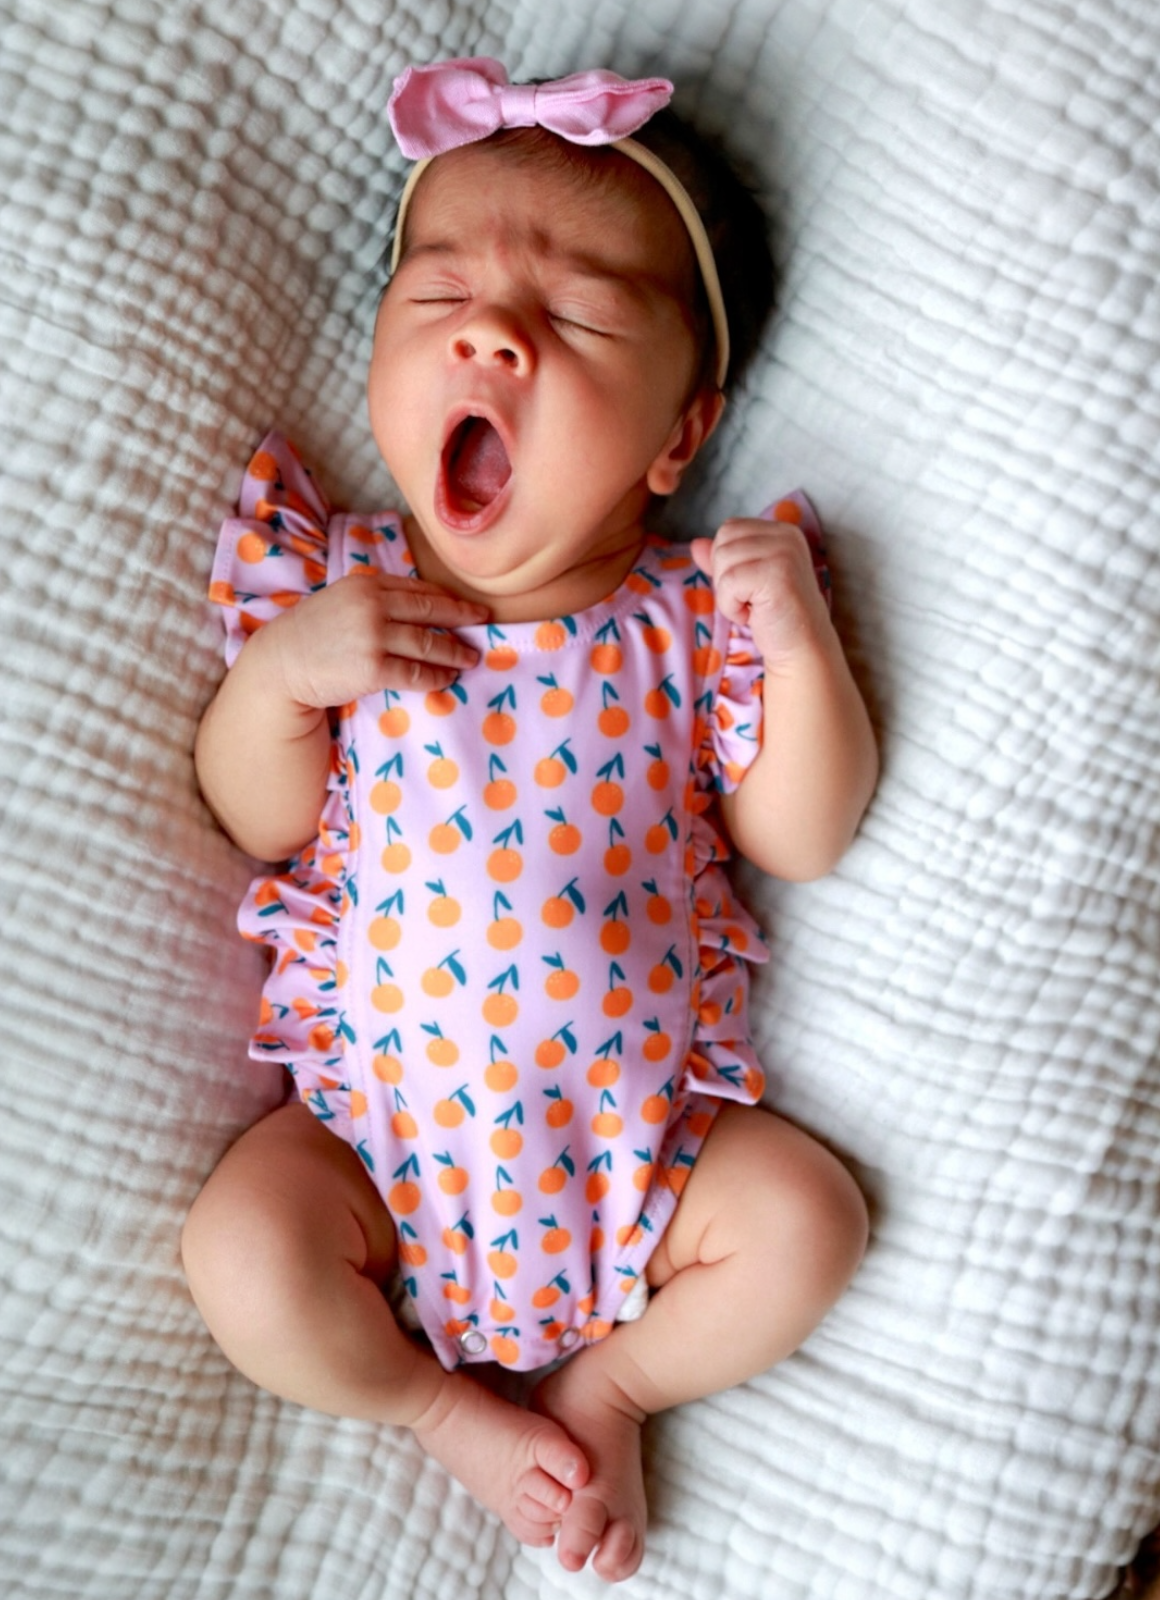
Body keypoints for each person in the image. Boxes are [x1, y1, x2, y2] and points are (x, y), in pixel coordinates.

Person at [182, 58, 878, 1584]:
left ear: (677, 441)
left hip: (653, 1177)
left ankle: (610, 1386)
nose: (491, 330)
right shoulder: (339, 593)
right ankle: (436, 1408)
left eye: (570, 320)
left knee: (809, 1222)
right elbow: (253, 811)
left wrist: (804, 643)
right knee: (242, 1248)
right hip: (372, 1169)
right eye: (440, 299)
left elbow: (802, 833)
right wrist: (290, 677)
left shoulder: (694, 623)